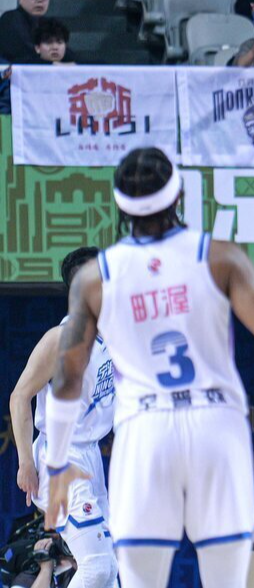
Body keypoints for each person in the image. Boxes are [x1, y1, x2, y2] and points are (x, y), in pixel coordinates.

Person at [42, 148, 254, 587]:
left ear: (119, 205)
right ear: (178, 193)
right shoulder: (219, 257)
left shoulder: (95, 278)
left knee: (139, 579)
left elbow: (67, 378)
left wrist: (55, 464)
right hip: (214, 427)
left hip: (146, 432)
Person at [10, 248, 117, 588]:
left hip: (89, 457)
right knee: (98, 566)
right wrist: (26, 461)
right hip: (60, 458)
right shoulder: (60, 340)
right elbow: (19, 396)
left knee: (112, 567)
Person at [1, 0, 77, 65]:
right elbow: (23, 53)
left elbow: (66, 53)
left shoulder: (47, 23)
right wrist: (52, 64)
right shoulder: (11, 18)